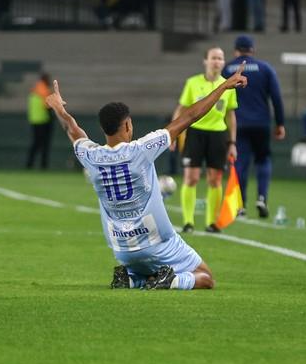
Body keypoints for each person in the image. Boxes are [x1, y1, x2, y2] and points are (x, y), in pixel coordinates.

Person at [43, 65, 248, 290]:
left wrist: (59, 109)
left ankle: (131, 278)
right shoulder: (141, 149)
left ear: (104, 129)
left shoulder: (91, 156)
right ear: (127, 125)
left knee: (142, 266)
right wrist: (224, 86)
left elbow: (72, 130)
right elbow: (190, 116)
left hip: (121, 249)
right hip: (157, 243)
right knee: (206, 277)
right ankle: (171, 280)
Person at [172, 47, 239, 233]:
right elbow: (181, 109)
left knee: (215, 179)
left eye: (220, 58)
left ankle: (211, 222)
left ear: (223, 62)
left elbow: (230, 116)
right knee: (191, 177)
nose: (217, 61)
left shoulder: (228, 86)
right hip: (195, 133)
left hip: (218, 134)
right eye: (213, 58)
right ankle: (188, 222)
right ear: (205, 61)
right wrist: (173, 134)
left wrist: (232, 143)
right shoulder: (192, 83)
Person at [221, 35, 285, 218]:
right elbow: (276, 97)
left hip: (237, 124)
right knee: (263, 160)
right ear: (252, 50)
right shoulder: (265, 68)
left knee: (240, 163)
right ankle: (262, 198)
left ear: (236, 51)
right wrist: (280, 123)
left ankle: (240, 205)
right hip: (261, 124)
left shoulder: (227, 69)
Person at [26, 73, 53, 169]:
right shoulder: (44, 90)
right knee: (44, 145)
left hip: (34, 120)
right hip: (43, 120)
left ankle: (29, 164)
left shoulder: (34, 90)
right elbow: (48, 106)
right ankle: (43, 165)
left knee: (35, 144)